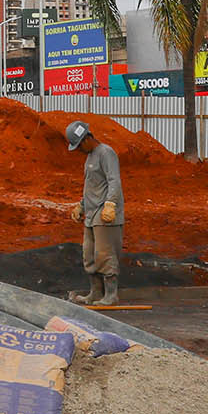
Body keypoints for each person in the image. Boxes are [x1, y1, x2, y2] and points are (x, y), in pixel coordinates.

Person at [66, 120, 124, 306]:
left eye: (79, 146)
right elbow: (91, 187)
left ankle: (111, 295)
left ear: (86, 139)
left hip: (104, 212)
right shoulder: (90, 157)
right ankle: (96, 293)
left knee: (104, 254)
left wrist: (110, 204)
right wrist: (81, 206)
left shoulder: (106, 153)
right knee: (89, 254)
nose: (79, 150)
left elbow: (114, 181)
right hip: (91, 214)